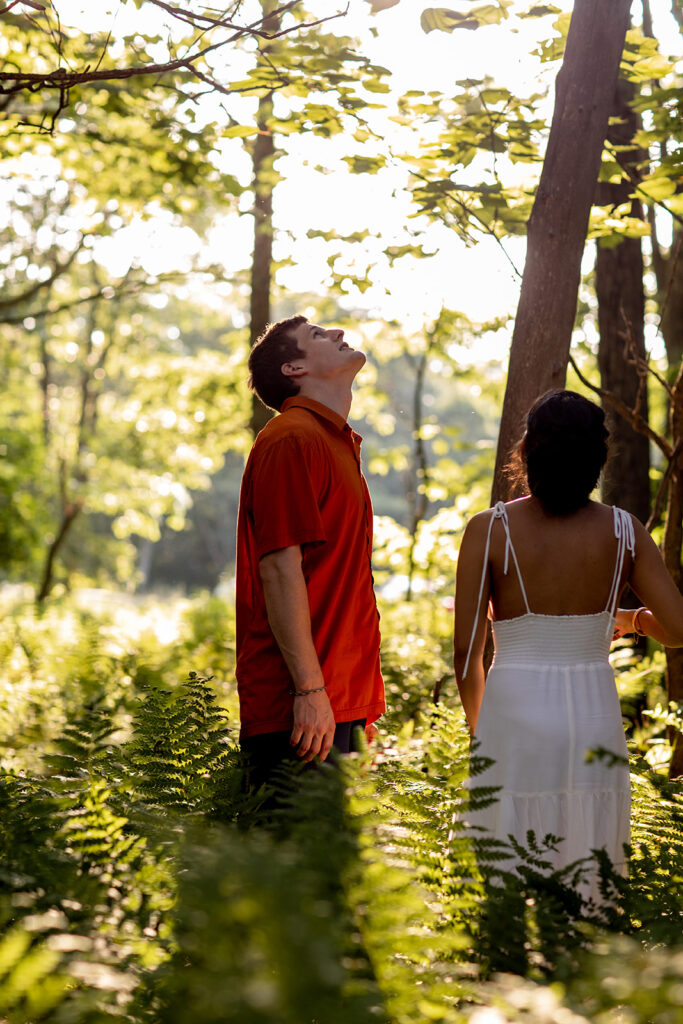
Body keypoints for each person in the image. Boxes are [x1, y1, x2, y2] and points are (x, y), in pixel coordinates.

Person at [454, 389, 683, 901]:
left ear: (527, 452)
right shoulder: (625, 532)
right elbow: (679, 630)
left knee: (506, 882)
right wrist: (636, 621)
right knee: (589, 872)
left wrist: (480, 733)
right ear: (597, 459)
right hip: (591, 720)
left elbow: (466, 655)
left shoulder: (488, 530)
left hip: (510, 720)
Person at [235, 315, 385, 793]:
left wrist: (353, 706)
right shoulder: (290, 440)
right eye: (318, 335)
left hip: (337, 701)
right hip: (300, 712)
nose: (338, 333)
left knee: (330, 865)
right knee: (291, 864)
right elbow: (279, 569)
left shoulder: (334, 443)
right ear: (294, 369)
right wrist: (309, 690)